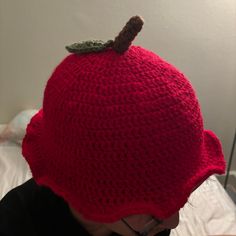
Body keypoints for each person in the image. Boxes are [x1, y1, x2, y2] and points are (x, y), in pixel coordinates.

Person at [0, 16, 226, 236]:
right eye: (154, 213)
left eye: (182, 196)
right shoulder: (16, 223)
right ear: (93, 193)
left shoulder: (152, 219)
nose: (173, 221)